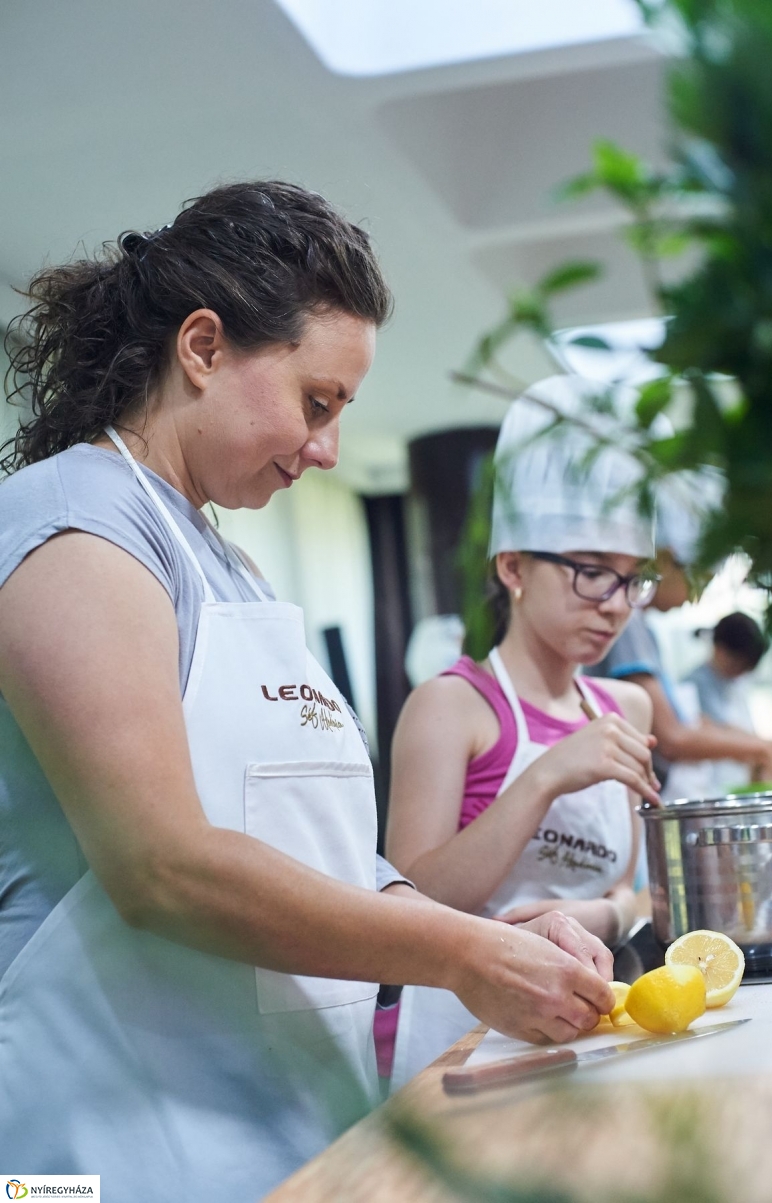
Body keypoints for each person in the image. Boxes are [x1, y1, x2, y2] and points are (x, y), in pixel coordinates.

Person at [0, 183, 616, 1201]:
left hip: (269, 1129)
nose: (326, 448)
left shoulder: (228, 569)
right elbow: (162, 866)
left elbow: (322, 854)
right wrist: (460, 953)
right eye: (315, 403)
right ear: (203, 348)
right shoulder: (76, 525)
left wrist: (496, 939)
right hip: (99, 1144)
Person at [383, 375, 661, 1089]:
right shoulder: (450, 705)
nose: (616, 605)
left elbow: (632, 891)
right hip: (463, 1039)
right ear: (513, 567)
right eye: (592, 573)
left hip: (593, 1025)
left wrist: (601, 913)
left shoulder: (626, 708)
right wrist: (545, 776)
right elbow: (410, 899)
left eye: (633, 579)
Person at [590, 484, 772, 799]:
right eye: (698, 582)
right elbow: (671, 739)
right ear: (666, 561)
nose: (696, 598)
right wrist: (758, 748)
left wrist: (763, 745)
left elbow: (696, 725)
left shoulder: (644, 630)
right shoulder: (627, 624)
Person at [684, 612, 769, 792]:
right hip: (712, 786)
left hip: (738, 782)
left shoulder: (735, 684)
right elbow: (722, 730)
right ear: (720, 650)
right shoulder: (696, 684)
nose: (740, 672)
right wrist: (764, 747)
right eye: (738, 664)